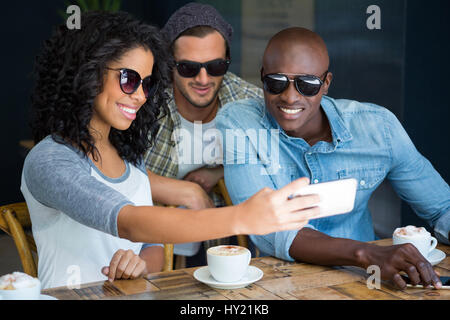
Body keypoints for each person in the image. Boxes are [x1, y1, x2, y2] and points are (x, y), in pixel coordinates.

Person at [22, 13, 319, 289]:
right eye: (129, 80)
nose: (140, 96)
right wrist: (243, 216)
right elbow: (131, 223)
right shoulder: (51, 159)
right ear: (88, 73)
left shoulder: (127, 156)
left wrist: (139, 265)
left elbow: (149, 246)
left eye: (147, 84)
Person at [216, 27, 450, 290]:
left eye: (307, 85)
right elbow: (268, 228)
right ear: (262, 77)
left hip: (370, 283)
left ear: (326, 84)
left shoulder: (378, 129)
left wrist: (370, 259)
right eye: (276, 82)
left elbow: (442, 207)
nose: (290, 96)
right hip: (282, 285)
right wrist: (365, 254)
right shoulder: (239, 123)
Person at [143, 2, 263, 260]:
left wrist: (218, 171)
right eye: (188, 68)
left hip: (223, 239)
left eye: (216, 66)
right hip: (146, 239)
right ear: (169, 64)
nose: (203, 79)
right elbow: (109, 171)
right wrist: (186, 191)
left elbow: (280, 156)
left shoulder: (249, 103)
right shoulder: (142, 102)